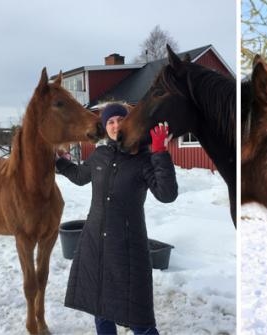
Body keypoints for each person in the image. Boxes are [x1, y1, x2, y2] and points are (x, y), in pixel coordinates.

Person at [55, 103, 178, 335]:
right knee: (101, 309)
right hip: (96, 243)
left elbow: (167, 194)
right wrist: (60, 161)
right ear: (105, 126)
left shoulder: (143, 159)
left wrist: (160, 153)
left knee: (139, 319)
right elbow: (80, 177)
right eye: (110, 121)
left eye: (120, 119)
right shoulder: (100, 155)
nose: (115, 125)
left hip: (128, 248)